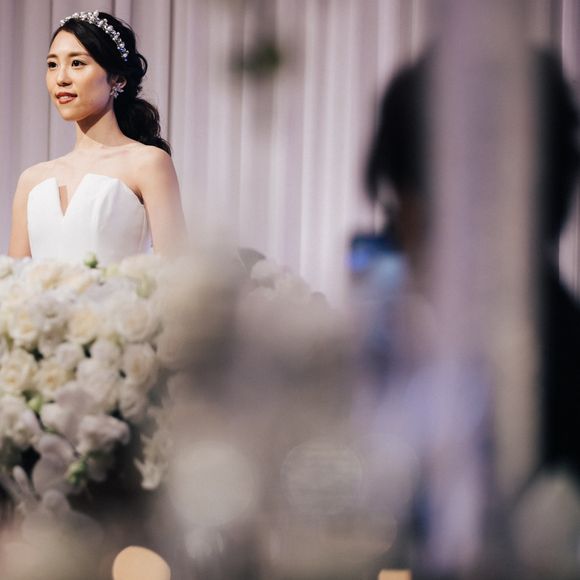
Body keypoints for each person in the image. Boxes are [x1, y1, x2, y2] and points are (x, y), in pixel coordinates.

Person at [8, 10, 186, 264]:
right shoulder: (32, 180)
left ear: (118, 79)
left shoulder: (147, 163)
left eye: (77, 63)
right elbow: (14, 280)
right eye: (52, 65)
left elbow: (177, 271)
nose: (61, 78)